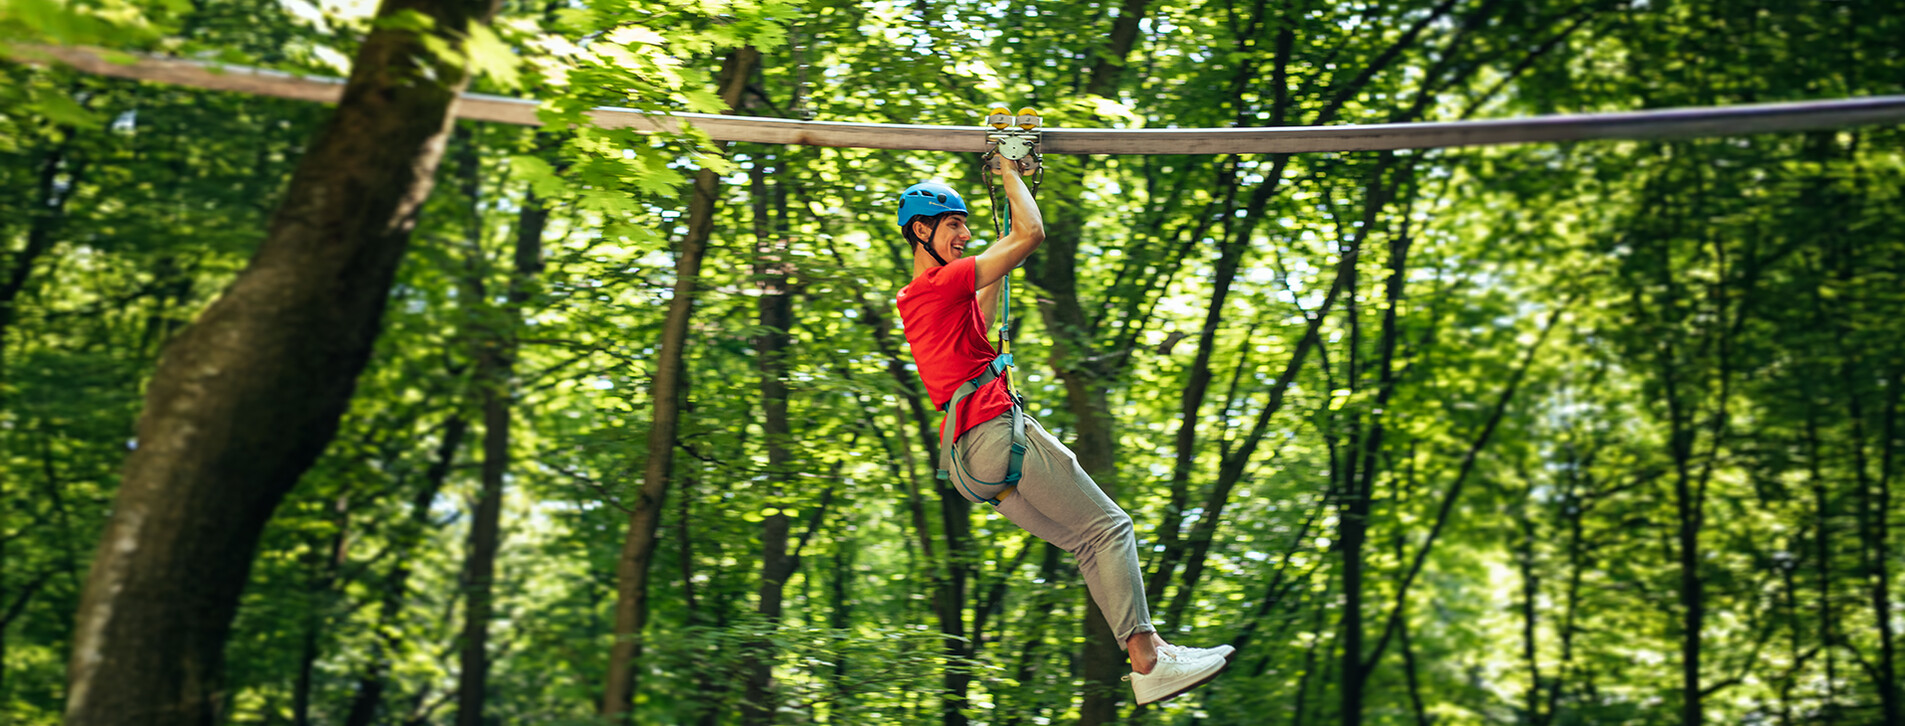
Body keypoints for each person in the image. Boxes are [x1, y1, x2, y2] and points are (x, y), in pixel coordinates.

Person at [893, 161, 1235, 705]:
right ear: (920, 231)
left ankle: (1152, 653)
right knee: (1111, 527)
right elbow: (1032, 236)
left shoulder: (920, 298)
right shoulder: (939, 282)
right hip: (994, 433)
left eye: (965, 224)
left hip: (968, 464)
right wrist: (1009, 168)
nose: (965, 234)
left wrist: (1012, 195)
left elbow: (989, 290)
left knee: (1084, 542)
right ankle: (1148, 662)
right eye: (953, 225)